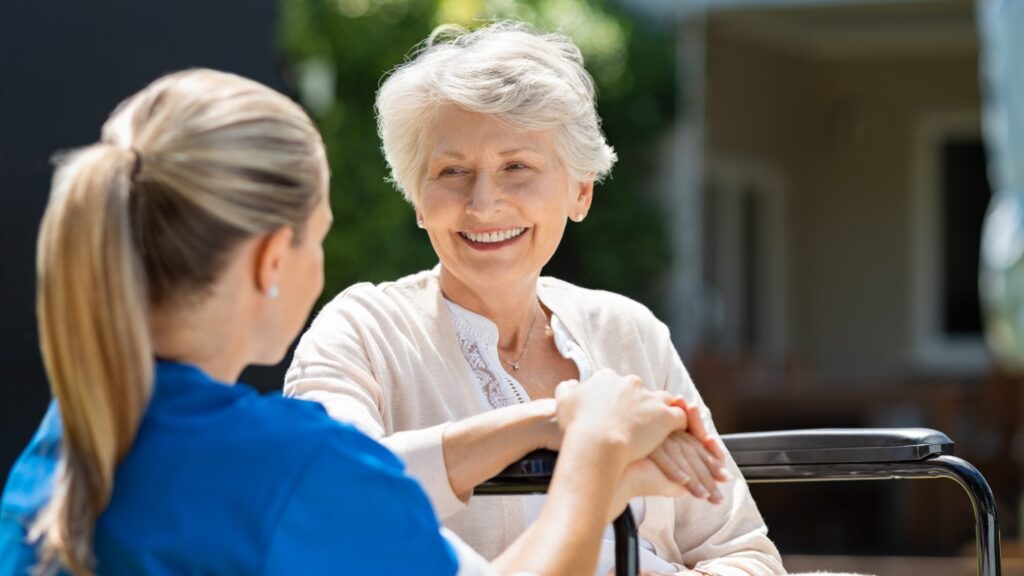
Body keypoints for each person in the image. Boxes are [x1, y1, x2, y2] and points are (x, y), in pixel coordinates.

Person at [0, 68, 701, 576]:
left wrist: (546, 421)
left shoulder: (68, 440)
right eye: (321, 235)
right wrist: (594, 457)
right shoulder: (297, 469)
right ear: (274, 257)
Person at [284, 22, 785, 576]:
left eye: (516, 167)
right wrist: (562, 422)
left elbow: (739, 551)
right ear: (417, 200)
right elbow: (328, 494)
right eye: (452, 171)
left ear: (581, 191)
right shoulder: (363, 331)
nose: (483, 203)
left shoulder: (629, 331)